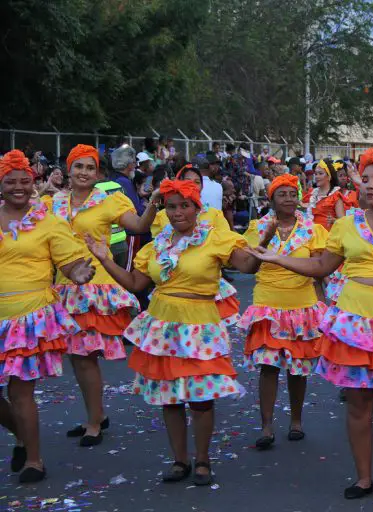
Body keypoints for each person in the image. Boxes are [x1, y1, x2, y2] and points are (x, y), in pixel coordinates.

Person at [251, 148, 373, 499]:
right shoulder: (344, 224)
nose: (369, 186)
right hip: (354, 320)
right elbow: (322, 267)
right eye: (365, 179)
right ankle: (364, 477)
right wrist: (279, 258)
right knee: (359, 403)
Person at [84, 180, 258, 486]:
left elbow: (247, 266)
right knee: (170, 399)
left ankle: (202, 460)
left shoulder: (216, 238)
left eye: (184, 206)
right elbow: (136, 285)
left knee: (201, 399)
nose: (178, 213)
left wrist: (265, 242)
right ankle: (180, 460)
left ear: (196, 208)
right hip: (163, 325)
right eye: (171, 206)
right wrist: (104, 258)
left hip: (200, 326)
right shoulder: (156, 245)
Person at [48, 145, 160, 446]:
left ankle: (95, 422)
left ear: (98, 173)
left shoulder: (108, 201)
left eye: (90, 167)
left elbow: (138, 226)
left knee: (85, 357)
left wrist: (153, 203)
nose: (84, 172)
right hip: (63, 287)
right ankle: (94, 415)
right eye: (78, 166)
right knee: (77, 357)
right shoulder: (53, 203)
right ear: (68, 170)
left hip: (95, 288)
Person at [0, 150, 96, 483]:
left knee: (19, 391)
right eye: (10, 181)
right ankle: (24, 438)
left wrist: (78, 271)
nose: (18, 187)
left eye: (25, 181)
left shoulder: (48, 221)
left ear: (33, 184)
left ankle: (34, 460)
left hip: (27, 318)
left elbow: (68, 261)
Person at [239, 175, 329, 449]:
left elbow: (319, 271)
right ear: (272, 200)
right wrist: (265, 238)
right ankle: (266, 427)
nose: (289, 199)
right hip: (268, 305)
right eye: (283, 194)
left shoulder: (313, 230)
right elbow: (249, 267)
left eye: (293, 194)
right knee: (268, 367)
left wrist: (327, 307)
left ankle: (296, 422)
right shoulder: (257, 227)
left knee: (297, 369)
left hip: (301, 307)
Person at [150, 165, 240, 327]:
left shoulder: (214, 214)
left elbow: (227, 248)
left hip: (203, 283)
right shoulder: (162, 215)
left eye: (197, 182)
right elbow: (157, 247)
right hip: (171, 284)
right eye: (187, 181)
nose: (192, 185)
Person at [304, 159, 344, 229]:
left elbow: (343, 222)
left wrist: (334, 221)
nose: (316, 176)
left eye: (320, 173)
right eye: (315, 174)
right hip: (313, 235)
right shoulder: (312, 194)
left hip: (328, 236)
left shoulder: (335, 195)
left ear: (329, 177)